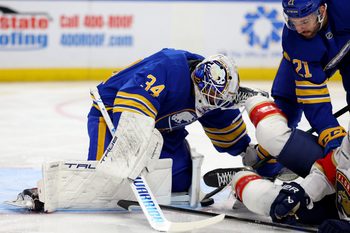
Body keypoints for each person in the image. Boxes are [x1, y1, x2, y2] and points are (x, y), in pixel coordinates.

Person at [87, 48, 267, 193]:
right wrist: (129, 154)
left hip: (163, 131)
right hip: (112, 115)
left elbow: (225, 126)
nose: (213, 104)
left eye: (218, 101)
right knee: (107, 183)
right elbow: (131, 105)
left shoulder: (214, 92)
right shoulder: (167, 68)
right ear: (198, 83)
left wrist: (246, 151)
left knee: (180, 181)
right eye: (211, 99)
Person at [250, 0, 350, 177]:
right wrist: (332, 135)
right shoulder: (295, 40)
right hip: (300, 69)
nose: (299, 29)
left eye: (304, 21)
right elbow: (314, 100)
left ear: (322, 10)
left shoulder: (344, 7)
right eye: (293, 22)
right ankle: (263, 169)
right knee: (283, 115)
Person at [231, 95, 350, 233]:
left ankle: (239, 178)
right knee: (271, 135)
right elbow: (332, 167)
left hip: (335, 215)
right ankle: (255, 98)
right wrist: (302, 193)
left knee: (260, 195)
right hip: (335, 200)